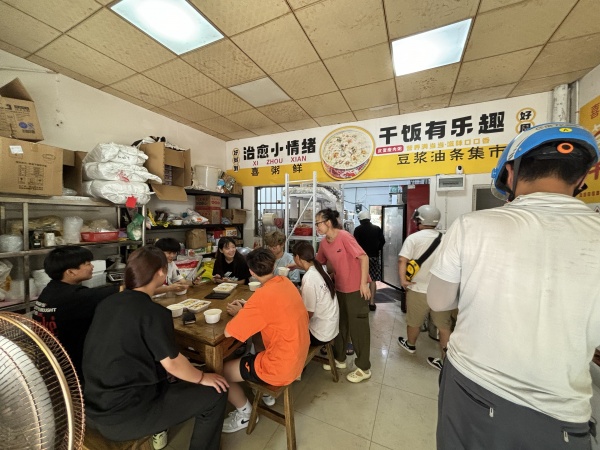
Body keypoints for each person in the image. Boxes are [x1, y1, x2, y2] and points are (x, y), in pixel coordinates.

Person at [428, 123, 600, 449]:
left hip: (472, 387)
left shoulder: (473, 225)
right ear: (581, 178)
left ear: (510, 172)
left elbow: (438, 301)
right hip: (563, 416)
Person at [82, 246, 229, 450]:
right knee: (216, 392)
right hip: (125, 416)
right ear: (161, 272)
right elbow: (173, 364)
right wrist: (203, 377)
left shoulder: (107, 303)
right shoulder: (153, 313)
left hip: (92, 407)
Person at [221, 248, 309, 433]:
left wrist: (241, 313)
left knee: (220, 371)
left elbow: (229, 332)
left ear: (251, 272)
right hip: (299, 355)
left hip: (281, 366)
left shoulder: (261, 296)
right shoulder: (285, 282)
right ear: (274, 265)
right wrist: (247, 309)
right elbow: (273, 310)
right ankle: (260, 392)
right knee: (257, 341)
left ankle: (245, 414)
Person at [32, 246, 119, 379]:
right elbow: (121, 290)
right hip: (71, 370)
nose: (92, 266)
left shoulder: (50, 290)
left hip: (50, 365)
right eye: (87, 263)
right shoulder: (74, 297)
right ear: (71, 272)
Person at [315, 208, 372, 383]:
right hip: (339, 288)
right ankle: (340, 358)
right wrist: (297, 263)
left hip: (356, 288)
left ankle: (364, 367)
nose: (316, 227)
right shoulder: (324, 243)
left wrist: (363, 284)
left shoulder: (344, 236)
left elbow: (363, 257)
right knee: (341, 325)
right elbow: (318, 262)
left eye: (318, 223)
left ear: (328, 223)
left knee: (358, 328)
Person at [396, 205, 452, 371]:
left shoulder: (413, 238)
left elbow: (402, 260)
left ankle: (411, 344)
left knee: (414, 321)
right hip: (442, 290)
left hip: (418, 289)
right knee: (444, 327)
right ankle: (445, 362)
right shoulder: (446, 238)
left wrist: (403, 280)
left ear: (420, 220)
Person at [292, 241, 339, 346]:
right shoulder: (320, 268)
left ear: (297, 257)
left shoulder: (309, 279)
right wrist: (295, 266)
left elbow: (308, 313)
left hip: (319, 334)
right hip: (331, 328)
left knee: (285, 329)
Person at [353, 210, 385, 311]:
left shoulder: (358, 230)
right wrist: (377, 249)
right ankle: (372, 303)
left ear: (360, 219)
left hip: (361, 258)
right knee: (373, 280)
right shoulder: (377, 228)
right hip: (374, 257)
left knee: (361, 279)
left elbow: (354, 245)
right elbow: (383, 241)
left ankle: (361, 302)